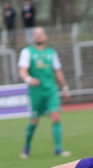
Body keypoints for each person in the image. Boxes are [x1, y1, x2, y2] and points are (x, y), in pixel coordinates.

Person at [18, 27, 71, 158]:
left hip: (50, 90)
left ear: (45, 36)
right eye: (36, 34)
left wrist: (65, 87)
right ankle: (26, 147)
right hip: (36, 91)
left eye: (41, 33)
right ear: (32, 37)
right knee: (34, 121)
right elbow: (22, 70)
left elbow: (57, 71)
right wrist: (29, 79)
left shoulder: (51, 53)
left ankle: (58, 149)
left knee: (55, 116)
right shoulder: (27, 52)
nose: (38, 36)